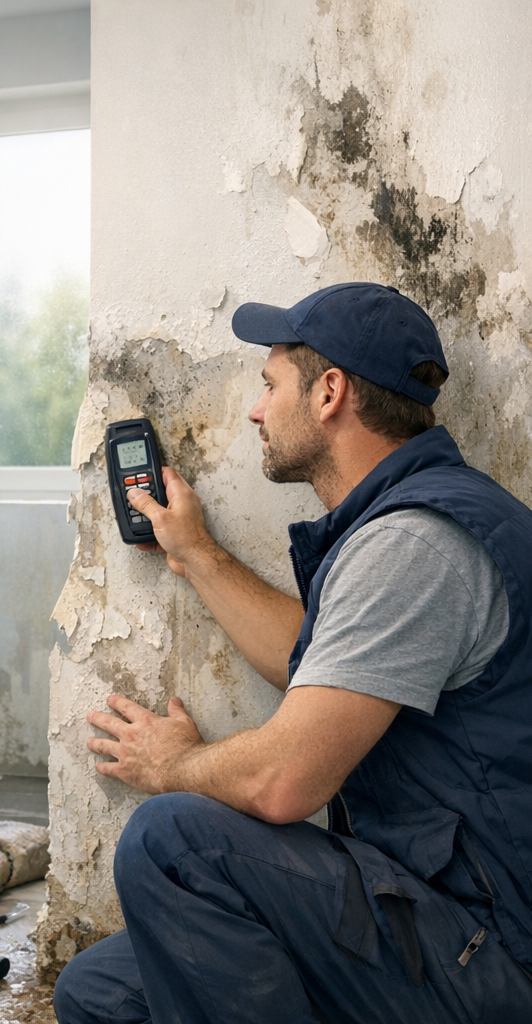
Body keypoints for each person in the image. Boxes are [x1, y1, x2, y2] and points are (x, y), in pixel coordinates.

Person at [53, 282, 532, 1024]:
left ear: (330, 393)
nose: (254, 409)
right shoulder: (405, 523)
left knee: (172, 838)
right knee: (99, 995)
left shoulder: (414, 545)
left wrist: (170, 767)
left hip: (486, 949)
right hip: (421, 907)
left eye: (271, 384)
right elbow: (322, 662)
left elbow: (284, 783)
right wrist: (198, 556)